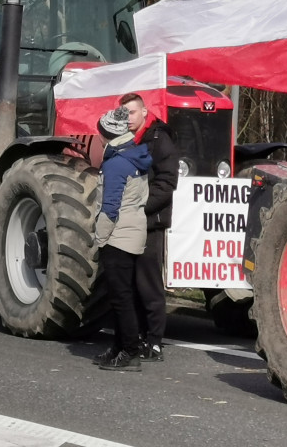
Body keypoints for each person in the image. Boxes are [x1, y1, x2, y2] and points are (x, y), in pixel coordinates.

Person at [119, 92, 179, 362]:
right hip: (125, 224)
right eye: (123, 114)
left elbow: (167, 181)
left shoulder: (159, 139)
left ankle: (154, 341)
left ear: (144, 112)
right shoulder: (123, 141)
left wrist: (141, 209)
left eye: (131, 112)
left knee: (149, 284)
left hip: (148, 224)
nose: (127, 118)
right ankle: (139, 337)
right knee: (129, 284)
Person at [92, 105, 151, 371]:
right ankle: (118, 347)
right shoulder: (133, 156)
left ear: (107, 135)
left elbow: (110, 208)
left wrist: (99, 239)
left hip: (118, 236)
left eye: (101, 133)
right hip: (133, 232)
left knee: (121, 297)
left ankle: (129, 351)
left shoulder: (116, 164)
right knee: (121, 295)